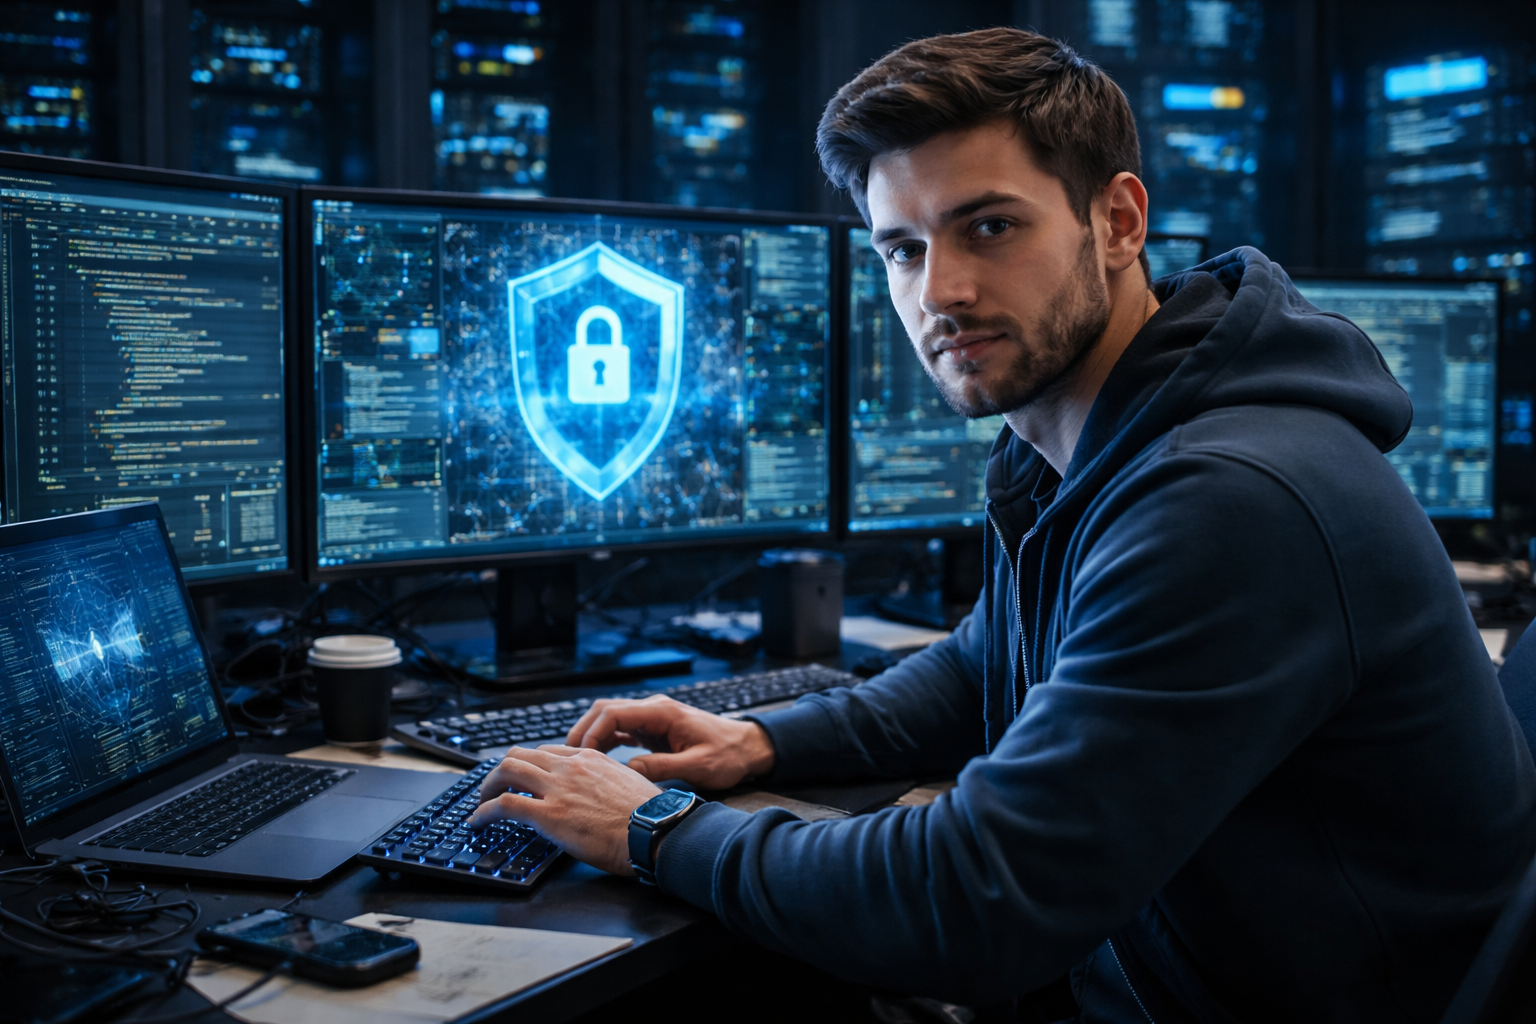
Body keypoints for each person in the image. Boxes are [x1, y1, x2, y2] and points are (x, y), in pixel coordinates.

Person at [467, 27, 1536, 1022]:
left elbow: (980, 898)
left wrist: (654, 828)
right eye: (901, 249)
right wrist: (757, 740)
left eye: (989, 226)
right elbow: (987, 662)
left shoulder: (1232, 496)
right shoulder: (1075, 439)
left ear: (1117, 222)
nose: (944, 291)